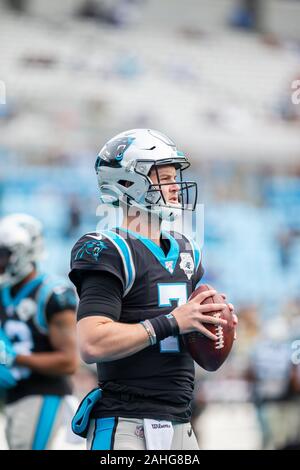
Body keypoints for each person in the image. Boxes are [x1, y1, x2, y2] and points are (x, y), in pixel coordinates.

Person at [69, 129, 236, 450]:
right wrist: (172, 322)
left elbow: (191, 331)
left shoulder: (188, 250)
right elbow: (91, 343)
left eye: (175, 176)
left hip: (182, 424)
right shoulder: (108, 248)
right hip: (128, 425)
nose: (175, 186)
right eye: (164, 177)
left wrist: (214, 324)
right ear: (129, 182)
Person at [0, 213, 78, 450]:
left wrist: (14, 357)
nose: (0, 261)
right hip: (13, 392)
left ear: (24, 252)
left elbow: (68, 362)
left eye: (4, 254)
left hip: (44, 393)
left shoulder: (53, 294)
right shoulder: (5, 291)